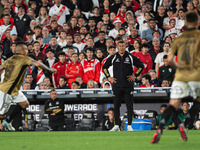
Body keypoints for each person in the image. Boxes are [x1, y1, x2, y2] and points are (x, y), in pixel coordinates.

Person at [151, 11, 200, 143]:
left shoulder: (180, 38)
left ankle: (160, 128)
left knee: (172, 105)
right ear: (197, 22)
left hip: (180, 76)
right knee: (197, 102)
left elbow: (170, 59)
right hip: (195, 75)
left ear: (185, 23)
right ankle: (184, 125)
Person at [0, 41, 56, 131]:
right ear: (21, 50)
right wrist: (49, 69)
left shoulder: (10, 59)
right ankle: (5, 119)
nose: (27, 51)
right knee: (1, 114)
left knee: (25, 104)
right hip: (7, 90)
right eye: (26, 49)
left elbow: (1, 68)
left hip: (15, 89)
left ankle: (8, 120)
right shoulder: (23, 58)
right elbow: (37, 63)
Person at [103, 40, 144, 131]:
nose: (121, 48)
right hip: (116, 86)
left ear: (125, 47)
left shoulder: (130, 57)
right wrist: (109, 77)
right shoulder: (113, 57)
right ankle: (116, 125)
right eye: (119, 46)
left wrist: (135, 75)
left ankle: (129, 125)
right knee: (116, 106)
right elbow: (104, 67)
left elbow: (141, 66)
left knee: (129, 106)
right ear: (117, 47)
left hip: (128, 86)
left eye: (123, 46)